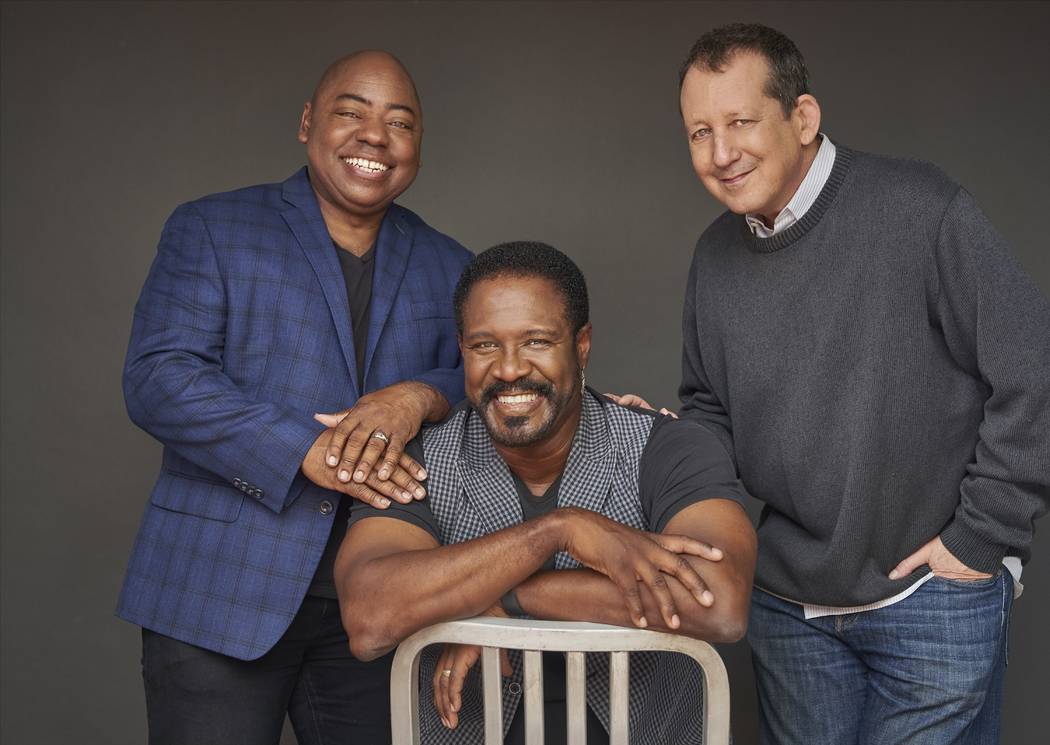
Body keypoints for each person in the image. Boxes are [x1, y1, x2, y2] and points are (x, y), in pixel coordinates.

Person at [675, 22, 1050, 744]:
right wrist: (664, 450)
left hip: (930, 595)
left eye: (741, 122)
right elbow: (708, 408)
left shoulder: (920, 209)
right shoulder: (714, 256)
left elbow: (1034, 364)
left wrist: (982, 536)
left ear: (802, 117)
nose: (720, 154)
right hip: (788, 607)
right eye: (700, 132)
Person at [117, 50, 472, 744]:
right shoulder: (213, 227)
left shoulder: (453, 263)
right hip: (219, 592)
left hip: (380, 605)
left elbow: (488, 379)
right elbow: (159, 376)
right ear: (308, 122)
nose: (375, 136)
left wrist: (419, 394)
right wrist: (306, 449)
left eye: (400, 122)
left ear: (418, 145)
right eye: (351, 112)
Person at [336, 242, 757, 745]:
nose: (509, 369)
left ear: (581, 346)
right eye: (485, 345)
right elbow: (369, 617)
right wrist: (559, 530)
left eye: (536, 341)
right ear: (462, 349)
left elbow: (718, 603)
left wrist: (500, 597)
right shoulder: (421, 459)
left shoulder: (666, 447)